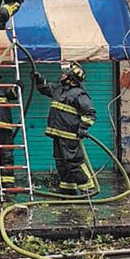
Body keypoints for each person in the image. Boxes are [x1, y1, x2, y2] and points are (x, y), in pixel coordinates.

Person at [32, 61, 98, 195]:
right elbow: (45, 88)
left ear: (72, 80)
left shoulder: (78, 94)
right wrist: (39, 79)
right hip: (57, 133)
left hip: (69, 135)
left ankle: (88, 189)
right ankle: (67, 190)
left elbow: (90, 114)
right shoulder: (59, 90)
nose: (62, 75)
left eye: (65, 74)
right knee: (61, 163)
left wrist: (83, 128)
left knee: (73, 163)